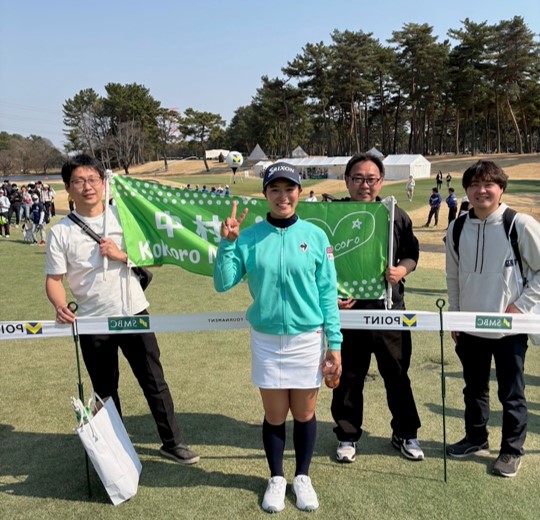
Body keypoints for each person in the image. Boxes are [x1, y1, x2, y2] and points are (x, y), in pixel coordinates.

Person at [45, 154, 199, 466]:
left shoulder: (123, 215)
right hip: (92, 321)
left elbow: (153, 255)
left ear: (103, 183)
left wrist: (121, 255)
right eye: (79, 181)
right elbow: (54, 279)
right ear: (68, 188)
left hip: (133, 313)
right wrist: (60, 305)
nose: (87, 187)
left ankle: (173, 443)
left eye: (93, 180)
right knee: (105, 389)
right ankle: (116, 449)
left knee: (153, 380)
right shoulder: (61, 232)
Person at [214, 162, 342, 513]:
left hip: (307, 339)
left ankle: (302, 477)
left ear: (299, 192)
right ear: (265, 194)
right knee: (274, 415)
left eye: (289, 189)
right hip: (267, 340)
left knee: (304, 413)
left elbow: (327, 294)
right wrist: (227, 244)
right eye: (275, 189)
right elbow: (223, 283)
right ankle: (275, 477)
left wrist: (334, 344)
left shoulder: (315, 236)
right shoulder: (249, 237)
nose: (282, 196)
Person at [445, 160, 540, 478]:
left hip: (509, 328)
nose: (481, 190)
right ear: (466, 190)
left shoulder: (519, 224)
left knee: (511, 393)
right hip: (470, 326)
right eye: (474, 184)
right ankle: (476, 438)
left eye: (488, 184)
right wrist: (455, 316)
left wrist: (521, 306)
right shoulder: (457, 227)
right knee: (473, 389)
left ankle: (512, 450)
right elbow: (453, 276)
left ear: (501, 188)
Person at [331, 153, 423, 464]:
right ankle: (347, 434)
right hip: (348, 313)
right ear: (347, 181)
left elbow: (411, 254)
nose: (365, 185)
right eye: (358, 178)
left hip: (389, 312)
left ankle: (405, 433)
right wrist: (331, 296)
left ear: (381, 181)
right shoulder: (334, 215)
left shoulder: (394, 214)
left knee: (397, 375)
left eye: (371, 179)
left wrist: (402, 271)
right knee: (348, 377)